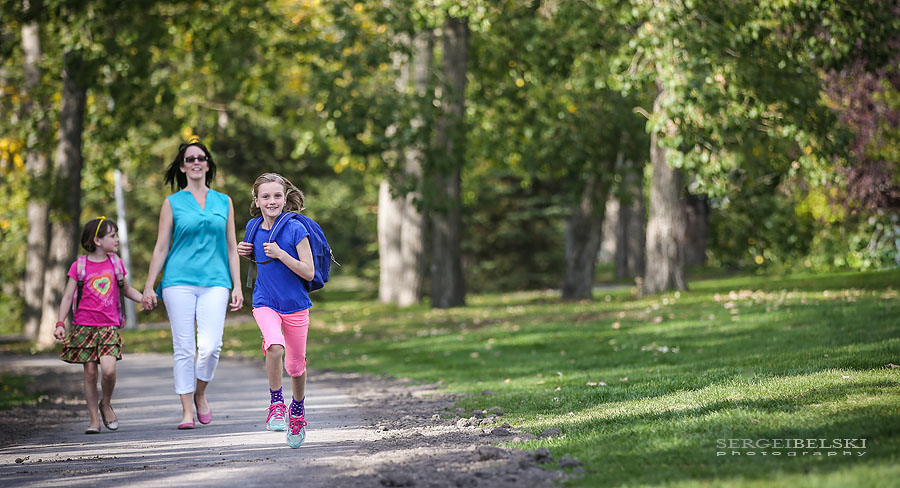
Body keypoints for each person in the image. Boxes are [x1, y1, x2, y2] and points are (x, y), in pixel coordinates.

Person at [141, 136, 243, 430]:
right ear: (183, 167)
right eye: (190, 159)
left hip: (216, 281)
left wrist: (237, 285)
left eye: (201, 158)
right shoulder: (172, 203)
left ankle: (200, 393)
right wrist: (149, 286)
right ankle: (187, 411)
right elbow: (161, 248)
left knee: (211, 346)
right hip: (177, 282)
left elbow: (232, 246)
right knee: (184, 348)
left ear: (208, 165)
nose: (196, 162)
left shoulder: (224, 201)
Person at [236, 173, 315, 448]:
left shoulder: (295, 229)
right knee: (274, 346)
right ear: (256, 201)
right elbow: (253, 259)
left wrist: (282, 254)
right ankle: (276, 403)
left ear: (285, 198)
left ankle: (297, 410)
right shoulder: (253, 227)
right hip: (264, 301)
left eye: (277, 196)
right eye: (265, 197)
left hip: (295, 305)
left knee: (295, 366)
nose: (272, 201)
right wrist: (242, 251)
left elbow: (309, 271)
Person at [55, 217, 144, 434]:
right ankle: (94, 420)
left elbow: (126, 289)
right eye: (112, 236)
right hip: (84, 327)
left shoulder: (116, 263)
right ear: (97, 240)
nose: (117, 239)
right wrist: (59, 323)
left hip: (108, 327)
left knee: (109, 371)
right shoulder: (80, 266)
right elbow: (68, 297)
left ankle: (106, 403)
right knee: (90, 374)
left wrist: (144, 299)